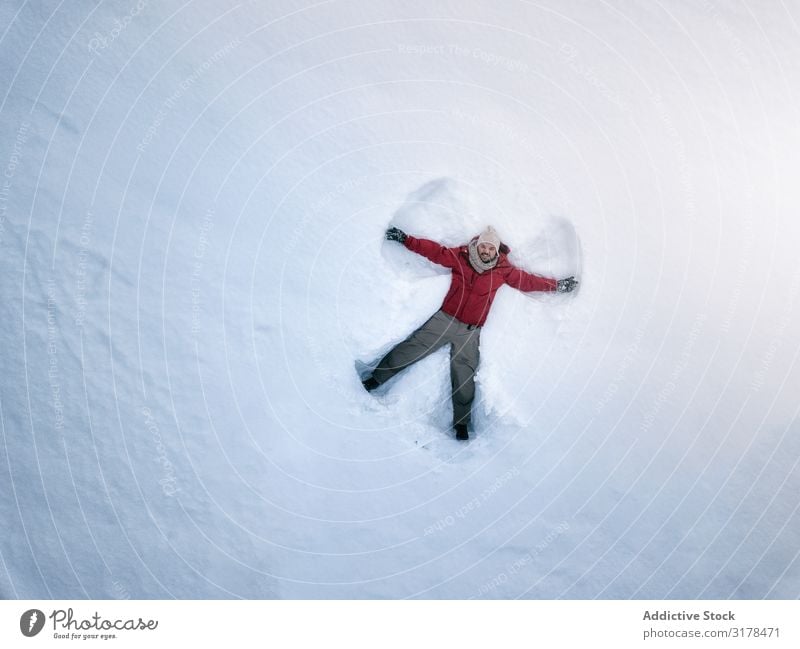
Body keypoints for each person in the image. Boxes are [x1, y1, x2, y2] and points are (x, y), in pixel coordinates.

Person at [362, 225, 578, 440]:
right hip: (444, 320)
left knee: (464, 375)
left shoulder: (504, 271)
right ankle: (376, 379)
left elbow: (529, 281)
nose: (486, 251)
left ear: (497, 251)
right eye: (483, 246)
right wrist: (405, 239)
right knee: (412, 348)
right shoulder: (460, 257)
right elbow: (436, 252)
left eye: (490, 248)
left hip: (470, 331)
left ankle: (461, 424)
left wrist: (557, 286)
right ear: (477, 245)